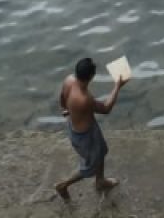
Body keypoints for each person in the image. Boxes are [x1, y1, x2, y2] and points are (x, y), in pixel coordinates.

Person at [54, 57, 128, 201]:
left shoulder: (69, 80)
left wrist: (65, 108)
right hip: (85, 137)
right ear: (91, 77)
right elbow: (106, 108)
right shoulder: (84, 98)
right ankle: (63, 185)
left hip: (79, 127)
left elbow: (62, 96)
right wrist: (117, 86)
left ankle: (100, 181)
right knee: (88, 167)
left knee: (100, 153)